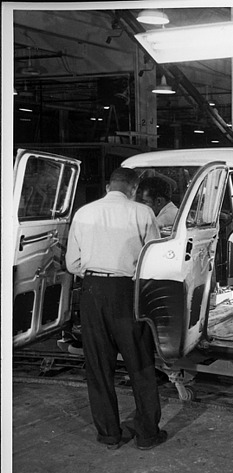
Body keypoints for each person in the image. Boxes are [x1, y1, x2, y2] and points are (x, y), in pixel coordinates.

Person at [65, 167, 167, 451]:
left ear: (109, 185)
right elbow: (154, 257)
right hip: (127, 293)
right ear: (133, 189)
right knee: (141, 363)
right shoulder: (142, 213)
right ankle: (147, 434)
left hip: (93, 292)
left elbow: (72, 264)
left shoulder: (84, 213)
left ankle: (110, 434)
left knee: (98, 366)